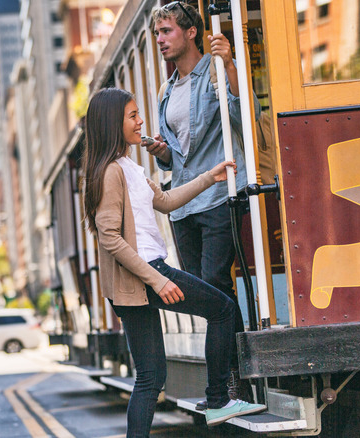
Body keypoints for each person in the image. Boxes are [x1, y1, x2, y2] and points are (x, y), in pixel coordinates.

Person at [82, 87, 265, 435]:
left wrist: (207, 178)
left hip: (137, 280)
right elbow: (109, 238)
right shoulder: (110, 173)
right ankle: (217, 400)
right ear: (112, 123)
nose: (141, 122)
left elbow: (165, 201)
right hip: (146, 273)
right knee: (223, 310)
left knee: (151, 378)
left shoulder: (128, 167)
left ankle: (213, 403)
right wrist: (157, 279)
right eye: (132, 116)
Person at [143, 1, 261, 402]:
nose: (160, 40)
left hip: (218, 194)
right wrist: (160, 150)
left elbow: (244, 115)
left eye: (166, 32)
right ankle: (235, 374)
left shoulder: (212, 72)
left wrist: (229, 65)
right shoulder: (166, 90)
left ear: (191, 32)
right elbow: (178, 154)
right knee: (207, 296)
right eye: (157, 34)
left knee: (214, 283)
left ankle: (233, 380)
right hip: (184, 204)